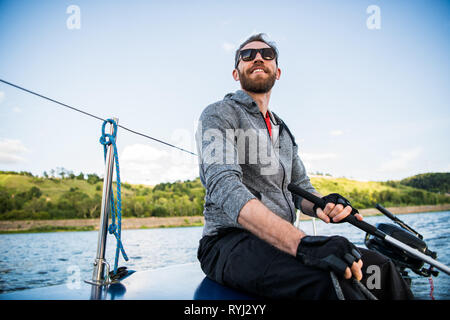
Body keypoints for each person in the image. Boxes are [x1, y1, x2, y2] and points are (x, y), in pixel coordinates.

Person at [195, 33, 413, 300]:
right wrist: (303, 244)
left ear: (278, 71)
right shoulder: (219, 113)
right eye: (248, 55)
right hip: (228, 243)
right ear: (235, 72)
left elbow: (300, 191)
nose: (258, 58)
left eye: (267, 54)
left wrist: (323, 203)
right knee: (330, 280)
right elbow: (224, 185)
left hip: (281, 242)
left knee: (380, 269)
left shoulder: (283, 130)